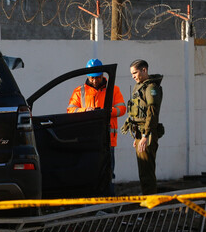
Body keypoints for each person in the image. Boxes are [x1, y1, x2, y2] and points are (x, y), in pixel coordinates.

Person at [68, 58, 126, 194]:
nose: (95, 80)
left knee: (108, 173)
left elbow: (122, 109)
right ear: (88, 76)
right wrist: (85, 111)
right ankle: (91, 205)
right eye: (92, 78)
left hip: (108, 140)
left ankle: (107, 205)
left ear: (103, 75)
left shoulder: (113, 89)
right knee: (89, 172)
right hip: (87, 139)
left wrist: (106, 112)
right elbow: (71, 110)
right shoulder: (79, 91)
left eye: (98, 77)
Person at [121, 59, 164, 195]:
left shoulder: (151, 88)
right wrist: (138, 137)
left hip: (147, 134)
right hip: (141, 134)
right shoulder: (140, 87)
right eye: (132, 74)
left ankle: (150, 201)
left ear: (144, 70)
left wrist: (145, 136)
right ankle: (147, 196)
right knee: (143, 169)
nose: (133, 76)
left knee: (147, 171)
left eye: (135, 73)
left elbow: (152, 114)